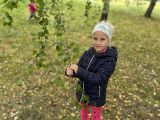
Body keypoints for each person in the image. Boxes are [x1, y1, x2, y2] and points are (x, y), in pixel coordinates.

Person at [65, 21, 118, 120]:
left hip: (96, 95)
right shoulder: (88, 53)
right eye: (95, 38)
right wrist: (71, 72)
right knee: (84, 110)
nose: (97, 42)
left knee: (95, 115)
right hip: (84, 91)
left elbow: (98, 78)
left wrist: (79, 70)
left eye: (102, 39)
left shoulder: (110, 59)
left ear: (108, 41)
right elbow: (79, 68)